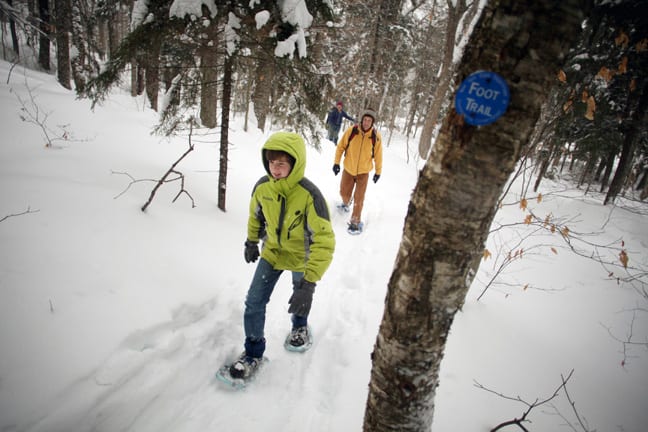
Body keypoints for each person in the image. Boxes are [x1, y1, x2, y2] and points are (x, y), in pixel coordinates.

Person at [230, 131, 336, 379]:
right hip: (273, 252)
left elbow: (324, 241)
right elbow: (255, 216)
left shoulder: (311, 196)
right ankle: (253, 353)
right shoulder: (262, 187)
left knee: (299, 298)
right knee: (254, 301)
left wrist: (308, 284)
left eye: (281, 164)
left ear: (294, 163)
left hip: (302, 255)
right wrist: (251, 241)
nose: (275, 169)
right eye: (271, 163)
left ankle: (300, 327)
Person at [332, 108, 383, 233]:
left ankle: (355, 222)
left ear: (372, 122)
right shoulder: (352, 131)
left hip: (363, 173)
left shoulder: (375, 136)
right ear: (362, 120)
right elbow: (340, 147)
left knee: (359, 198)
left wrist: (378, 172)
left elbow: (378, 155)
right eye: (365, 119)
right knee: (344, 193)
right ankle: (346, 202)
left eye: (369, 120)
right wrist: (336, 163)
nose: (366, 122)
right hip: (348, 169)